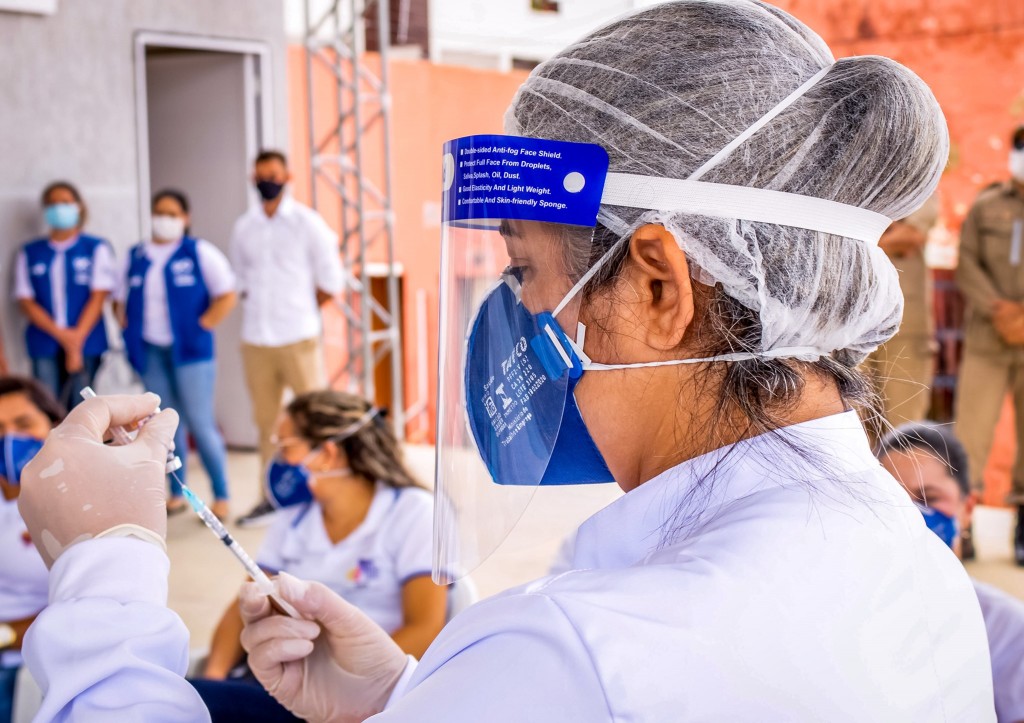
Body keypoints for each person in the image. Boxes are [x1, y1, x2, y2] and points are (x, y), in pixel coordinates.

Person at [13, 2, 996, 720]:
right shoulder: (912, 558)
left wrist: (106, 569)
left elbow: (593, 684)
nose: (514, 310)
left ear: (659, 288)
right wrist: (417, 697)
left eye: (525, 270)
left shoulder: (581, 650)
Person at [189, 390, 444, 722]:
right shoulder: (294, 517)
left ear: (327, 453)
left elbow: (426, 627)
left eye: (285, 447)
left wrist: (348, 684)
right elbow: (244, 604)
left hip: (363, 701)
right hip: (279, 683)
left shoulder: (414, 513)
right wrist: (214, 678)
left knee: (173, 703)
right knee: (190, 700)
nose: (278, 461)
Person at [878, 422, 1024, 723]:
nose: (910, 515)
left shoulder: (1008, 630)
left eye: (928, 498)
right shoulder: (850, 615)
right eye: (892, 500)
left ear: (967, 508)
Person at [230, 150, 344, 528]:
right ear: (253, 179)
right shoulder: (244, 227)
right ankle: (271, 498)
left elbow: (331, 280)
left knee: (315, 420)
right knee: (267, 425)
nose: (267, 181)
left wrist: (302, 310)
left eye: (274, 174)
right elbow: (240, 279)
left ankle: (328, 494)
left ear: (287, 177)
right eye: (261, 174)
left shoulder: (307, 223)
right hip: (256, 340)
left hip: (298, 337)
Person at [113, 190, 237, 520]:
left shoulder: (198, 252)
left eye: (172, 213)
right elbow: (117, 299)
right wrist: (125, 325)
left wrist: (203, 324)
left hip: (191, 352)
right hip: (150, 350)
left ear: (185, 217)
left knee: (199, 421)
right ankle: (177, 492)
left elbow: (226, 293)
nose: (164, 219)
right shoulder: (136, 256)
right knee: (164, 423)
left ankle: (221, 494)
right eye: (159, 212)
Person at [956, 124, 1024, 567]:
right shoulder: (987, 206)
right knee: (971, 433)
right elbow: (967, 263)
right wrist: (1000, 312)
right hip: (987, 337)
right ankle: (962, 522)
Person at [15, 181, 117, 409]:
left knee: (82, 408)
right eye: (52, 203)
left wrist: (75, 342)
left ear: (79, 206)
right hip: (45, 340)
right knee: (47, 406)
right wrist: (63, 336)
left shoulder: (95, 247)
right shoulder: (30, 252)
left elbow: (98, 297)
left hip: (87, 340)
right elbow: (26, 301)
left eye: (65, 202)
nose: (58, 208)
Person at [0, 377, 65, 723]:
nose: (9, 439)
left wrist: (10, 634)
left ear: (53, 426)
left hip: (43, 659)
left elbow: (96, 604)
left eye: (23, 424)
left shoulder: (81, 502)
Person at [865, 193, 940, 432]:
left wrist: (859, 239)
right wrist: (888, 233)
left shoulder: (916, 176)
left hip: (905, 325)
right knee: (852, 429)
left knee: (904, 431)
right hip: (849, 323)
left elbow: (911, 235)